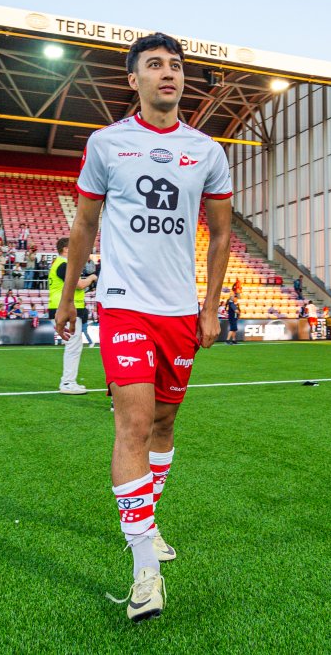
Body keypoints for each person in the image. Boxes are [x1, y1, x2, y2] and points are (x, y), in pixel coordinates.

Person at [54, 32, 232, 622]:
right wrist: (70, 296)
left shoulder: (206, 150)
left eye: (176, 66)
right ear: (133, 80)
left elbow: (223, 232)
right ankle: (144, 573)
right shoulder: (106, 143)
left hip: (180, 310)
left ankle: (148, 523)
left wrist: (209, 307)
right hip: (124, 303)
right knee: (132, 421)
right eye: (154, 65)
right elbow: (83, 224)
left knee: (164, 420)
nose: (168, 74)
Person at [47, 237, 98, 392]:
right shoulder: (64, 265)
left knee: (74, 346)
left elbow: (77, 287)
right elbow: (80, 284)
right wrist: (92, 277)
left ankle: (69, 381)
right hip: (66, 310)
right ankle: (68, 383)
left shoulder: (60, 264)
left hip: (62, 308)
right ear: (66, 249)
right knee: (73, 347)